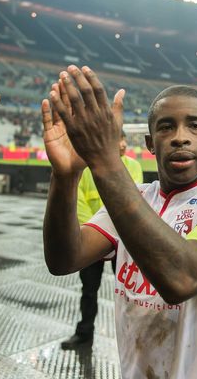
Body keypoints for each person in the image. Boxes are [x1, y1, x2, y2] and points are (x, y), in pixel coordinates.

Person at [41, 65, 197, 378]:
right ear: (149, 142)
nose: (180, 138)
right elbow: (64, 258)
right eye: (166, 127)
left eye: (194, 126)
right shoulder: (137, 198)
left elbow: (182, 278)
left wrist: (105, 160)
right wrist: (66, 176)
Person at [61, 130, 143, 350]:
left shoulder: (133, 166)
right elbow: (79, 203)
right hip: (92, 239)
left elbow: (131, 202)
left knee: (131, 292)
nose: (124, 144)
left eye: (125, 140)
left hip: (124, 241)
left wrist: (114, 233)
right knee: (89, 291)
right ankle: (84, 334)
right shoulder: (86, 169)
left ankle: (135, 337)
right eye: (118, 140)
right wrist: (94, 234)